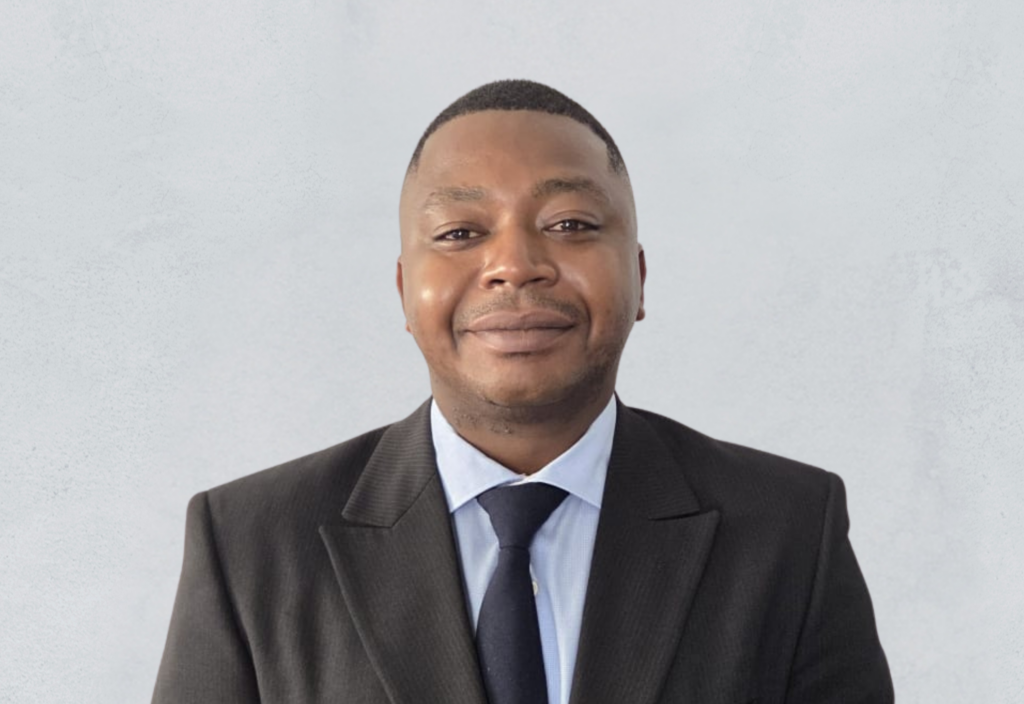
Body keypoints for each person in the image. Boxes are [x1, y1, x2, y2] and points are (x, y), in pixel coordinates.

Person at [153, 79, 893, 704]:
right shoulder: (250, 543)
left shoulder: (788, 529)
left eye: (569, 223)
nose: (515, 264)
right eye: (459, 233)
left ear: (639, 278)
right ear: (405, 290)